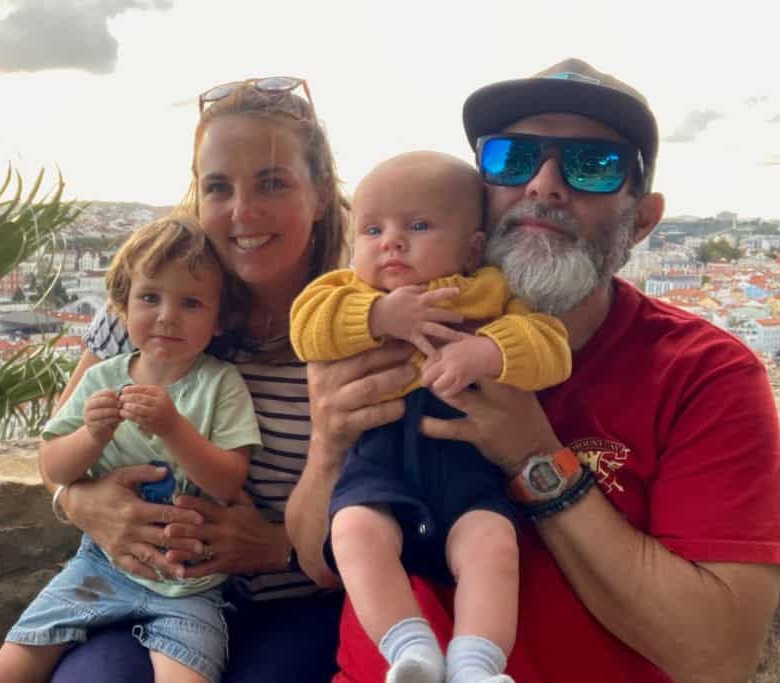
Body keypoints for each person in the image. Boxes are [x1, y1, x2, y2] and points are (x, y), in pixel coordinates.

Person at [287, 58, 780, 683]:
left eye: (592, 165)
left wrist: (533, 457)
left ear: (645, 220)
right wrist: (328, 446)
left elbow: (717, 656)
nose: (544, 185)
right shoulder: (374, 331)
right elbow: (319, 558)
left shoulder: (704, 374)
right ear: (477, 197)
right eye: (512, 159)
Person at [44, 77, 405, 683]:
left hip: (302, 602)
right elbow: (60, 447)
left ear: (320, 195)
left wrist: (278, 546)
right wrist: (80, 504)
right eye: (218, 188)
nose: (242, 213)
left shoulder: (365, 321)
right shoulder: (155, 306)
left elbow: (408, 507)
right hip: (155, 590)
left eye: (271, 183)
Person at [289, 150, 570, 683]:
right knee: (353, 533)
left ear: (472, 248)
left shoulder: (491, 292)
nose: (391, 241)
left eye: (417, 226)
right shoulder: (352, 290)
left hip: (466, 472)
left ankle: (476, 665)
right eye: (372, 229)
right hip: (381, 466)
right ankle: (409, 649)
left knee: (493, 548)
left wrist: (489, 351)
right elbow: (305, 327)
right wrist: (376, 314)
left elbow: (550, 348)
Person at [0, 215, 261, 683]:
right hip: (101, 564)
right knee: (10, 667)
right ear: (122, 306)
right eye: (150, 298)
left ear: (219, 321)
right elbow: (55, 464)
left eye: (190, 303)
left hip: (190, 581)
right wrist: (91, 436)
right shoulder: (103, 378)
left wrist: (174, 428)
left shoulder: (221, 384)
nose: (167, 316)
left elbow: (229, 478)